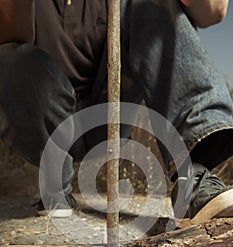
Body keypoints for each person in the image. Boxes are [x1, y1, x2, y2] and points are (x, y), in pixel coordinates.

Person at [0, 0, 232, 225]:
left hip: (110, 115)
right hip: (48, 118)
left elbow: (211, 13)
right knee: (9, 59)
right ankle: (55, 184)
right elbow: (11, 44)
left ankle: (193, 175)